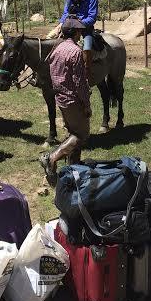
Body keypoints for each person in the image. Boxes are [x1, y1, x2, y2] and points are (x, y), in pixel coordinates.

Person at [39, 18, 92, 185]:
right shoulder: (75, 52)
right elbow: (79, 82)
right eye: (79, 31)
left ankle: (73, 168)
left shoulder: (57, 48)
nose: (81, 34)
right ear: (75, 33)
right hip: (73, 100)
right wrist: (86, 104)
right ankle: (52, 158)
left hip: (60, 97)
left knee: (72, 133)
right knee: (81, 134)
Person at [57, 0, 99, 73]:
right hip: (69, 25)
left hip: (85, 29)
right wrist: (62, 23)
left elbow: (92, 17)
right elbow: (66, 10)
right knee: (51, 40)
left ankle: (87, 74)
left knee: (87, 49)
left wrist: (78, 24)